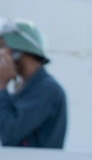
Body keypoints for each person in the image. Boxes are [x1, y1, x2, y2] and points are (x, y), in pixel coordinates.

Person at [0, 18, 68, 149]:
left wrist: (1, 85)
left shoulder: (47, 89)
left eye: (2, 46)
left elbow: (9, 132)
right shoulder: (24, 88)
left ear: (17, 50)